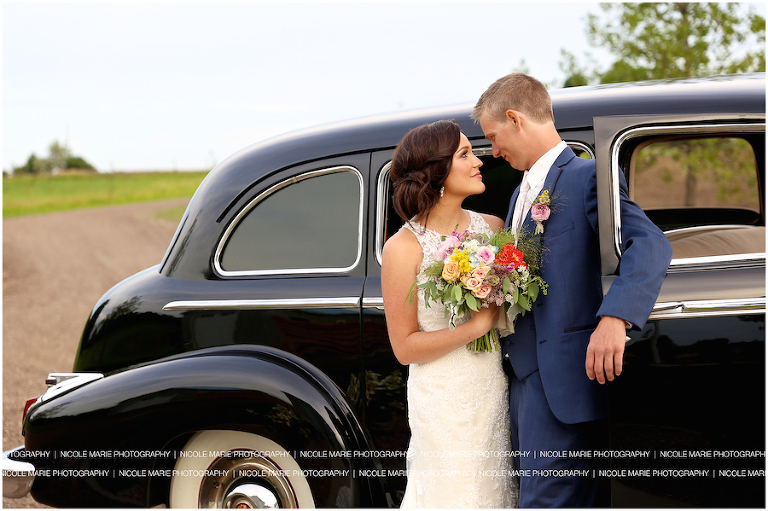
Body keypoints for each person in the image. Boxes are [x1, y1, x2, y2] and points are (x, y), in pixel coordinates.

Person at [472, 73, 672, 507]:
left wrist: (615, 317)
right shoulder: (519, 195)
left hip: (562, 378)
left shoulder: (585, 177)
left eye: (493, 136)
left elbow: (651, 244)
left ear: (515, 118)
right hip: (523, 379)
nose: (493, 150)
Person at [381, 119, 518, 508]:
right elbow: (405, 348)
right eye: (465, 154)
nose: (479, 161)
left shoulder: (493, 228)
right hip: (442, 395)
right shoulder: (403, 248)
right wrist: (476, 326)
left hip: (491, 385)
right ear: (437, 173)